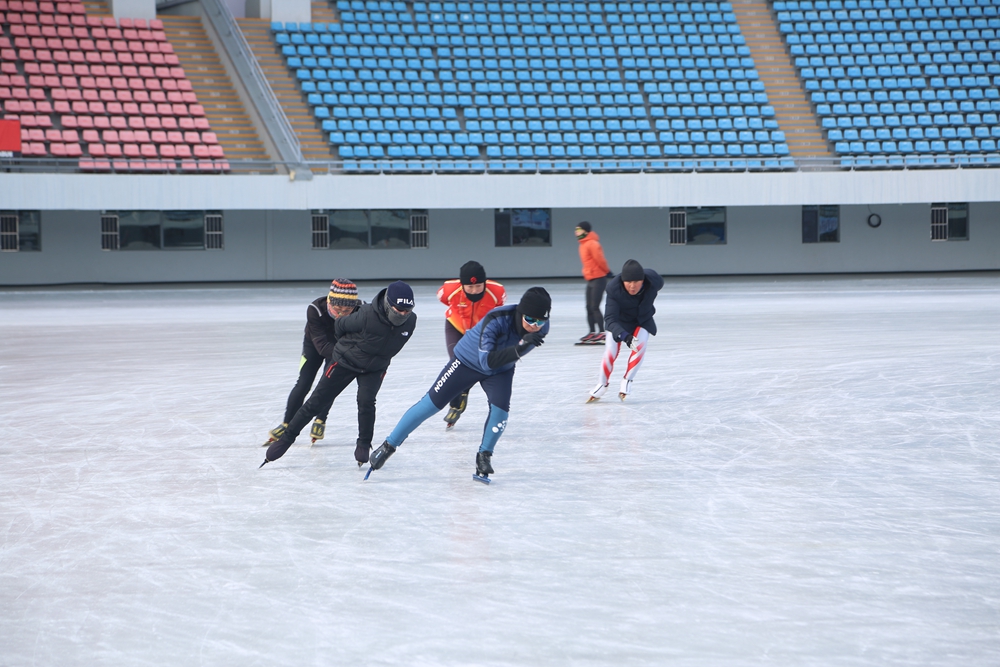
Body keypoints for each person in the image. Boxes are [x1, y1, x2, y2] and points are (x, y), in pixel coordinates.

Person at [366, 287, 551, 483]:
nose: (535, 326)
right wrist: (519, 348)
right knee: (430, 404)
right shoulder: (496, 319)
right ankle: (388, 446)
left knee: (501, 413)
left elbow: (508, 357)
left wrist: (519, 349)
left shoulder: (542, 329)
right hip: (467, 362)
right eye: (529, 319)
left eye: (540, 321)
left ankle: (484, 456)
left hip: (501, 370)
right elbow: (486, 362)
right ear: (520, 313)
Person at [260, 281, 417, 468]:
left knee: (366, 402)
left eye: (407, 311)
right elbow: (340, 325)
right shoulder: (363, 314)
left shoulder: (411, 321)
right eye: (399, 310)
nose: (403, 314)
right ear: (388, 304)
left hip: (375, 367)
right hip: (343, 359)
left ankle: (363, 444)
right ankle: (286, 438)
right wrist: (348, 348)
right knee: (313, 397)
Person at [264, 278, 360, 446]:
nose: (341, 314)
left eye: (347, 311)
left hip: (340, 346)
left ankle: (321, 419)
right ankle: (287, 423)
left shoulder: (361, 310)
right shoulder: (315, 309)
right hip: (315, 344)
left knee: (328, 384)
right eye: (337, 309)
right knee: (304, 382)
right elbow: (322, 347)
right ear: (329, 301)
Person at [436, 260, 507, 428]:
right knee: (456, 363)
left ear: (485, 283)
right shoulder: (449, 290)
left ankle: (463, 392)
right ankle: (455, 404)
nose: (474, 291)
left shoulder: (497, 291)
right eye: (469, 287)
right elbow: (445, 300)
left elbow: (500, 312)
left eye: (478, 286)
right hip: (456, 327)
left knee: (475, 365)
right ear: (462, 285)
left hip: (481, 332)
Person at [588, 260, 664, 403]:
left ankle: (627, 380)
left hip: (642, 320)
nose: (632, 286)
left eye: (636, 281)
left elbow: (658, 281)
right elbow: (610, 319)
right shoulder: (613, 289)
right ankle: (602, 384)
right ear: (623, 281)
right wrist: (625, 336)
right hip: (619, 323)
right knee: (610, 352)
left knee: (640, 345)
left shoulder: (654, 281)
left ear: (643, 280)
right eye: (628, 282)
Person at [575, 221, 612, 345]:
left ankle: (602, 333)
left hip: (599, 278)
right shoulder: (582, 245)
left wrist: (607, 271)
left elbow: (600, 260)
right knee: (588, 307)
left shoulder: (593, 244)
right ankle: (592, 332)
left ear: (586, 231)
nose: (576, 232)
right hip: (590, 278)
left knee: (594, 306)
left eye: (579, 230)